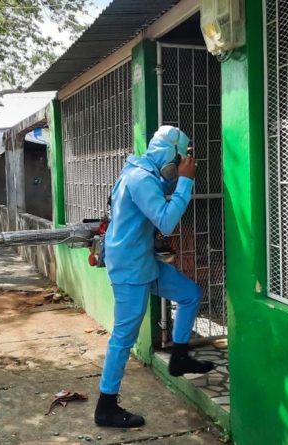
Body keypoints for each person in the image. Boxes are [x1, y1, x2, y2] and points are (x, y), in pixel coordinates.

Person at [94, 126, 215, 428]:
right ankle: (105, 407)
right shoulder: (140, 178)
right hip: (130, 269)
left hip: (142, 261)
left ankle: (180, 356)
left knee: (190, 294)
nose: (184, 164)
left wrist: (176, 181)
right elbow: (165, 219)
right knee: (124, 337)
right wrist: (185, 181)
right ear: (170, 158)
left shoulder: (142, 173)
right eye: (182, 159)